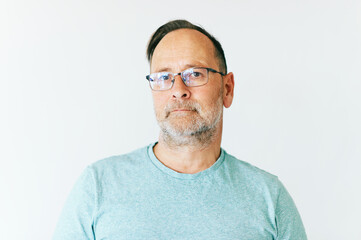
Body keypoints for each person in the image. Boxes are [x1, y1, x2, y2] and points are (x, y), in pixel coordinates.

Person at [53, 19, 307, 240]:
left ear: (227, 89)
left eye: (195, 74)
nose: (178, 89)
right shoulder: (98, 186)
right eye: (164, 77)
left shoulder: (269, 196)